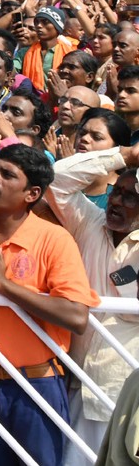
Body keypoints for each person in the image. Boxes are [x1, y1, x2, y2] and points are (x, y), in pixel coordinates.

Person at [0, 144, 99, 466]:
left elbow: (76, 315)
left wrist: (4, 285)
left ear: (32, 193)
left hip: (36, 386)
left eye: (7, 174)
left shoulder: (54, 239)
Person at [44, 138, 139, 461]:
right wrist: (123, 155)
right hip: (77, 376)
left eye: (131, 197)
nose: (117, 202)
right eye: (117, 192)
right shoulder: (90, 222)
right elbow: (55, 179)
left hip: (123, 386)